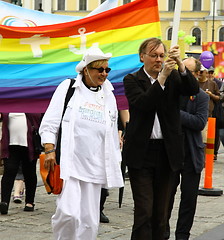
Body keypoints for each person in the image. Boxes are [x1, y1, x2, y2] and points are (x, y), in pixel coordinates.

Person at [39, 46, 124, 240]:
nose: (104, 74)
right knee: (68, 214)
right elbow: (50, 122)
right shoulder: (68, 88)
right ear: (86, 69)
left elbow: (111, 128)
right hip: (70, 165)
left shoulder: (108, 94)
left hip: (95, 166)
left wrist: (115, 159)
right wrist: (49, 148)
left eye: (107, 70)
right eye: (99, 69)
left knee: (89, 221)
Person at [122, 37, 199, 239]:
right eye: (154, 55)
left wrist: (180, 64)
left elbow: (192, 89)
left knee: (161, 214)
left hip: (167, 152)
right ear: (142, 57)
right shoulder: (132, 80)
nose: (158, 60)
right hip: (142, 153)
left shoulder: (173, 76)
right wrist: (162, 78)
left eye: (162, 56)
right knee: (144, 211)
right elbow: (145, 104)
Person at [165, 57, 209, 240]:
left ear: (197, 74)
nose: (182, 73)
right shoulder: (171, 92)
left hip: (191, 154)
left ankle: (182, 235)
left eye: (188, 70)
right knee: (166, 198)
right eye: (179, 69)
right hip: (170, 153)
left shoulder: (201, 96)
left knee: (189, 200)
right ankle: (162, 232)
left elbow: (199, 122)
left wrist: (174, 112)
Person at [0, 113, 42, 214]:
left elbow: (39, 117)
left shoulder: (31, 105)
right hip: (10, 145)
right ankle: (4, 202)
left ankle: (29, 202)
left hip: (29, 145)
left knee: (29, 172)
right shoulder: (8, 104)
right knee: (9, 171)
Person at [198, 65, 220, 160]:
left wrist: (211, 95)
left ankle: (207, 158)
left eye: (202, 72)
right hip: (196, 114)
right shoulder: (194, 83)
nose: (199, 73)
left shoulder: (212, 84)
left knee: (206, 139)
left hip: (209, 116)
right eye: (198, 71)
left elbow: (219, 98)